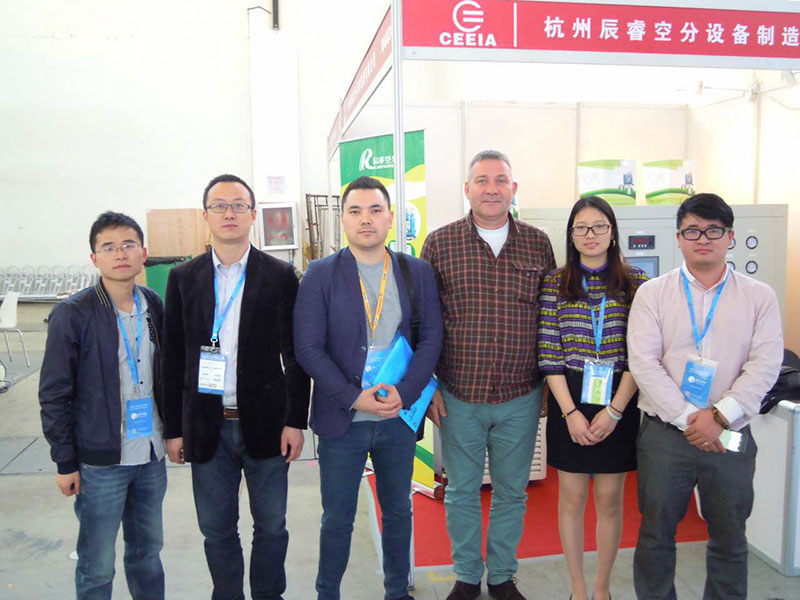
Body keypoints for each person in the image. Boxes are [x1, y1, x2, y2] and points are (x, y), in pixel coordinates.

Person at [161, 174, 310, 600]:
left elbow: (295, 355)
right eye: (220, 205)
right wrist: (174, 429)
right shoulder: (182, 277)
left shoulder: (280, 275)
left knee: (272, 526)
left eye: (239, 205)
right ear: (205, 215)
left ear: (253, 214)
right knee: (216, 530)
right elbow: (172, 359)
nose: (229, 213)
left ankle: (268, 594)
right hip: (206, 425)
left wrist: (295, 421)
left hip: (267, 423)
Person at [293, 176, 443, 600]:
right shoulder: (320, 275)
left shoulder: (416, 272)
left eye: (375, 210)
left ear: (390, 218)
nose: (366, 219)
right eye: (355, 211)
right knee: (337, 518)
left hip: (397, 416)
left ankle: (398, 591)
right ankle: (328, 593)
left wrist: (407, 392)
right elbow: (308, 347)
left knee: (398, 510)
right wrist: (352, 396)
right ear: (343, 219)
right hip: (342, 420)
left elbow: (432, 337)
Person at [627, 193, 783, 600]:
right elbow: (644, 363)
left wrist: (719, 416)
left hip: (731, 435)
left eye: (713, 230)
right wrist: (690, 419)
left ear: (730, 237)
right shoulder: (653, 294)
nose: (703, 239)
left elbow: (765, 365)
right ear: (678, 238)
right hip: (664, 435)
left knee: (730, 537)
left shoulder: (759, 297)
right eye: (692, 231)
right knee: (655, 535)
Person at [422, 150, 556, 600]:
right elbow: (424, 322)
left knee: (512, 493)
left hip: (521, 395)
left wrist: (548, 386)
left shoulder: (538, 244)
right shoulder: (440, 244)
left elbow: (549, 319)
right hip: (458, 394)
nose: (492, 189)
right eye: (482, 180)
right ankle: (465, 575)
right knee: (461, 491)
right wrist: (429, 386)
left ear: (513, 189)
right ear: (467, 189)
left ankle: (501, 577)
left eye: (501, 180)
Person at [39, 211, 167, 600]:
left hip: (149, 455)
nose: (120, 254)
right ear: (95, 258)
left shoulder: (153, 304)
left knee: (148, 555)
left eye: (128, 245)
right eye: (108, 247)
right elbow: (54, 394)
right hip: (100, 463)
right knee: (97, 565)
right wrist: (65, 462)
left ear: (144, 253)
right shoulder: (73, 314)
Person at [537, 196, 648, 600]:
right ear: (570, 235)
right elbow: (549, 353)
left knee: (610, 500)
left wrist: (615, 411)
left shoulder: (637, 282)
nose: (590, 235)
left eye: (599, 226)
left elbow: (642, 353)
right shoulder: (555, 282)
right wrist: (569, 413)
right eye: (581, 227)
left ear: (612, 232)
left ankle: (602, 587)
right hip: (570, 395)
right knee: (571, 499)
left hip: (619, 395)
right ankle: (578, 588)